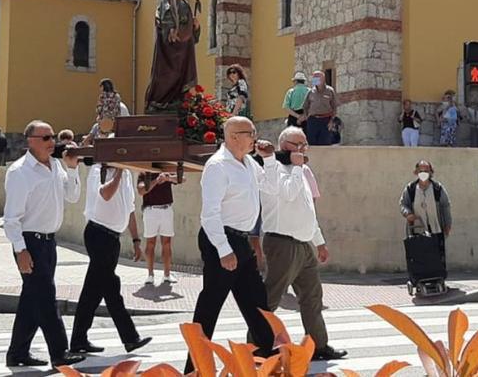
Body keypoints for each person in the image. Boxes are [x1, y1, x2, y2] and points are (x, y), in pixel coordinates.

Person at [186, 117, 275, 373]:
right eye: (251, 133)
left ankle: (268, 363)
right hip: (221, 240)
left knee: (258, 306)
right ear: (234, 136)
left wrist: (268, 160)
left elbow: (270, 188)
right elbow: (210, 214)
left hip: (241, 240)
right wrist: (224, 250)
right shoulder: (218, 166)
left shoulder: (248, 163)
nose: (255, 137)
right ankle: (194, 369)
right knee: (209, 308)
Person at [253, 127, 347, 361]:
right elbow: (288, 194)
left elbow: (308, 211)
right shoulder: (272, 169)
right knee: (271, 298)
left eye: (305, 144)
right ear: (286, 146)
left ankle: (318, 345)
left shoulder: (302, 171)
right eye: (300, 145)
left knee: (312, 297)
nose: (304, 149)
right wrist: (296, 166)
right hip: (282, 244)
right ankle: (256, 347)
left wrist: (320, 242)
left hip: (304, 244)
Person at [2, 120, 86, 368]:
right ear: (31, 141)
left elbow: (72, 196)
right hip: (30, 241)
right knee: (46, 297)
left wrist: (72, 169)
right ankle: (60, 352)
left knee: (32, 299)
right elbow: (10, 218)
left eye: (53, 137)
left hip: (49, 242)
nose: (53, 142)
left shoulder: (56, 166)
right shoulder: (20, 172)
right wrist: (21, 250)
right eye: (46, 138)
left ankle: (17, 352)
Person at [68, 136, 152, 356]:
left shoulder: (125, 175)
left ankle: (78, 340)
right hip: (98, 234)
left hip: (113, 238)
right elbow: (105, 194)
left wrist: (135, 240)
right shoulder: (99, 170)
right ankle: (130, 338)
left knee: (92, 292)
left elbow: (130, 210)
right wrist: (120, 172)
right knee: (111, 288)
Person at [145, 0, 201, 114]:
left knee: (181, 76)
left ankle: (178, 100)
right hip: (169, 51)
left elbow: (188, 26)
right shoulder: (166, 1)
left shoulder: (185, 4)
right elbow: (162, 17)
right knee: (167, 76)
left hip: (184, 49)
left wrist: (195, 26)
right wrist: (170, 28)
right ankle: (160, 101)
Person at [138, 171, 179, 285]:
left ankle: (167, 274)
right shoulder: (144, 173)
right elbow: (141, 191)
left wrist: (168, 178)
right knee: (150, 243)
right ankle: (150, 275)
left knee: (167, 243)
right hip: (150, 210)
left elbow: (182, 179)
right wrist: (156, 181)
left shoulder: (167, 170)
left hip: (166, 209)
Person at [399, 160, 452, 239]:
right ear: (416, 172)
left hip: (436, 232)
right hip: (417, 233)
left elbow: (445, 206)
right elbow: (403, 204)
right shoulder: (410, 189)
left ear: (431, 172)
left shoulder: (437, 188)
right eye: (421, 171)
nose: (423, 173)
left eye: (426, 171)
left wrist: (447, 225)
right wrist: (408, 214)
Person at [301, 71, 338, 146]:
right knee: (311, 143)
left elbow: (334, 107)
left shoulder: (330, 91)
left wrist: (332, 121)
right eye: (314, 77)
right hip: (313, 121)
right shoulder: (310, 92)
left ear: (323, 78)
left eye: (317, 77)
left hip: (326, 121)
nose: (315, 79)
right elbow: (305, 106)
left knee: (325, 143)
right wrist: (306, 116)